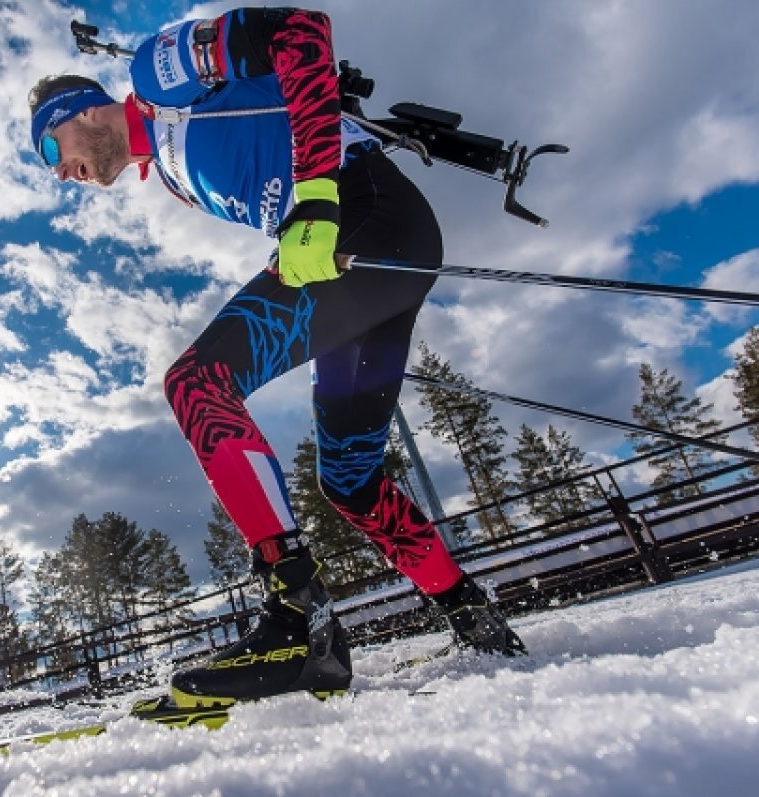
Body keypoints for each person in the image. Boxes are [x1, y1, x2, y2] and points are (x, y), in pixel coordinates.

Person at [28, 7, 526, 708]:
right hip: (357, 248)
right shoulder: (169, 173)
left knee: (198, 382)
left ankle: (298, 621)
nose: (61, 174)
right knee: (350, 481)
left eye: (51, 151)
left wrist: (317, 200)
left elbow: (298, 30)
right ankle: (474, 617)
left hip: (359, 214)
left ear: (81, 112)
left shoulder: (156, 74)